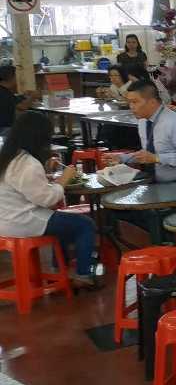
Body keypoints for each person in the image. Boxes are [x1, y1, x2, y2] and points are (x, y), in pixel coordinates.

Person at [0, 112, 99, 288]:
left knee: (62, 223)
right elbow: (46, 200)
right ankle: (84, 275)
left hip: (5, 220)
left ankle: (57, 269)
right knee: (85, 224)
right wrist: (64, 179)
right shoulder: (28, 163)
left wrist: (46, 175)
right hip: (22, 221)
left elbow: (20, 185)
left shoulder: (8, 156)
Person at [102, 80, 176, 182]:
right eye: (129, 102)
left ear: (152, 102)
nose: (131, 106)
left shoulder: (174, 122)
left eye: (135, 102)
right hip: (155, 181)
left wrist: (157, 158)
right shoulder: (143, 121)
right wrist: (122, 158)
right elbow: (148, 155)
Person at [0, 66, 34, 134]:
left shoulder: (4, 91)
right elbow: (23, 107)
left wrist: (24, 96)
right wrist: (32, 97)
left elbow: (13, 100)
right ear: (11, 78)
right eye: (16, 76)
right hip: (4, 128)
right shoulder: (5, 93)